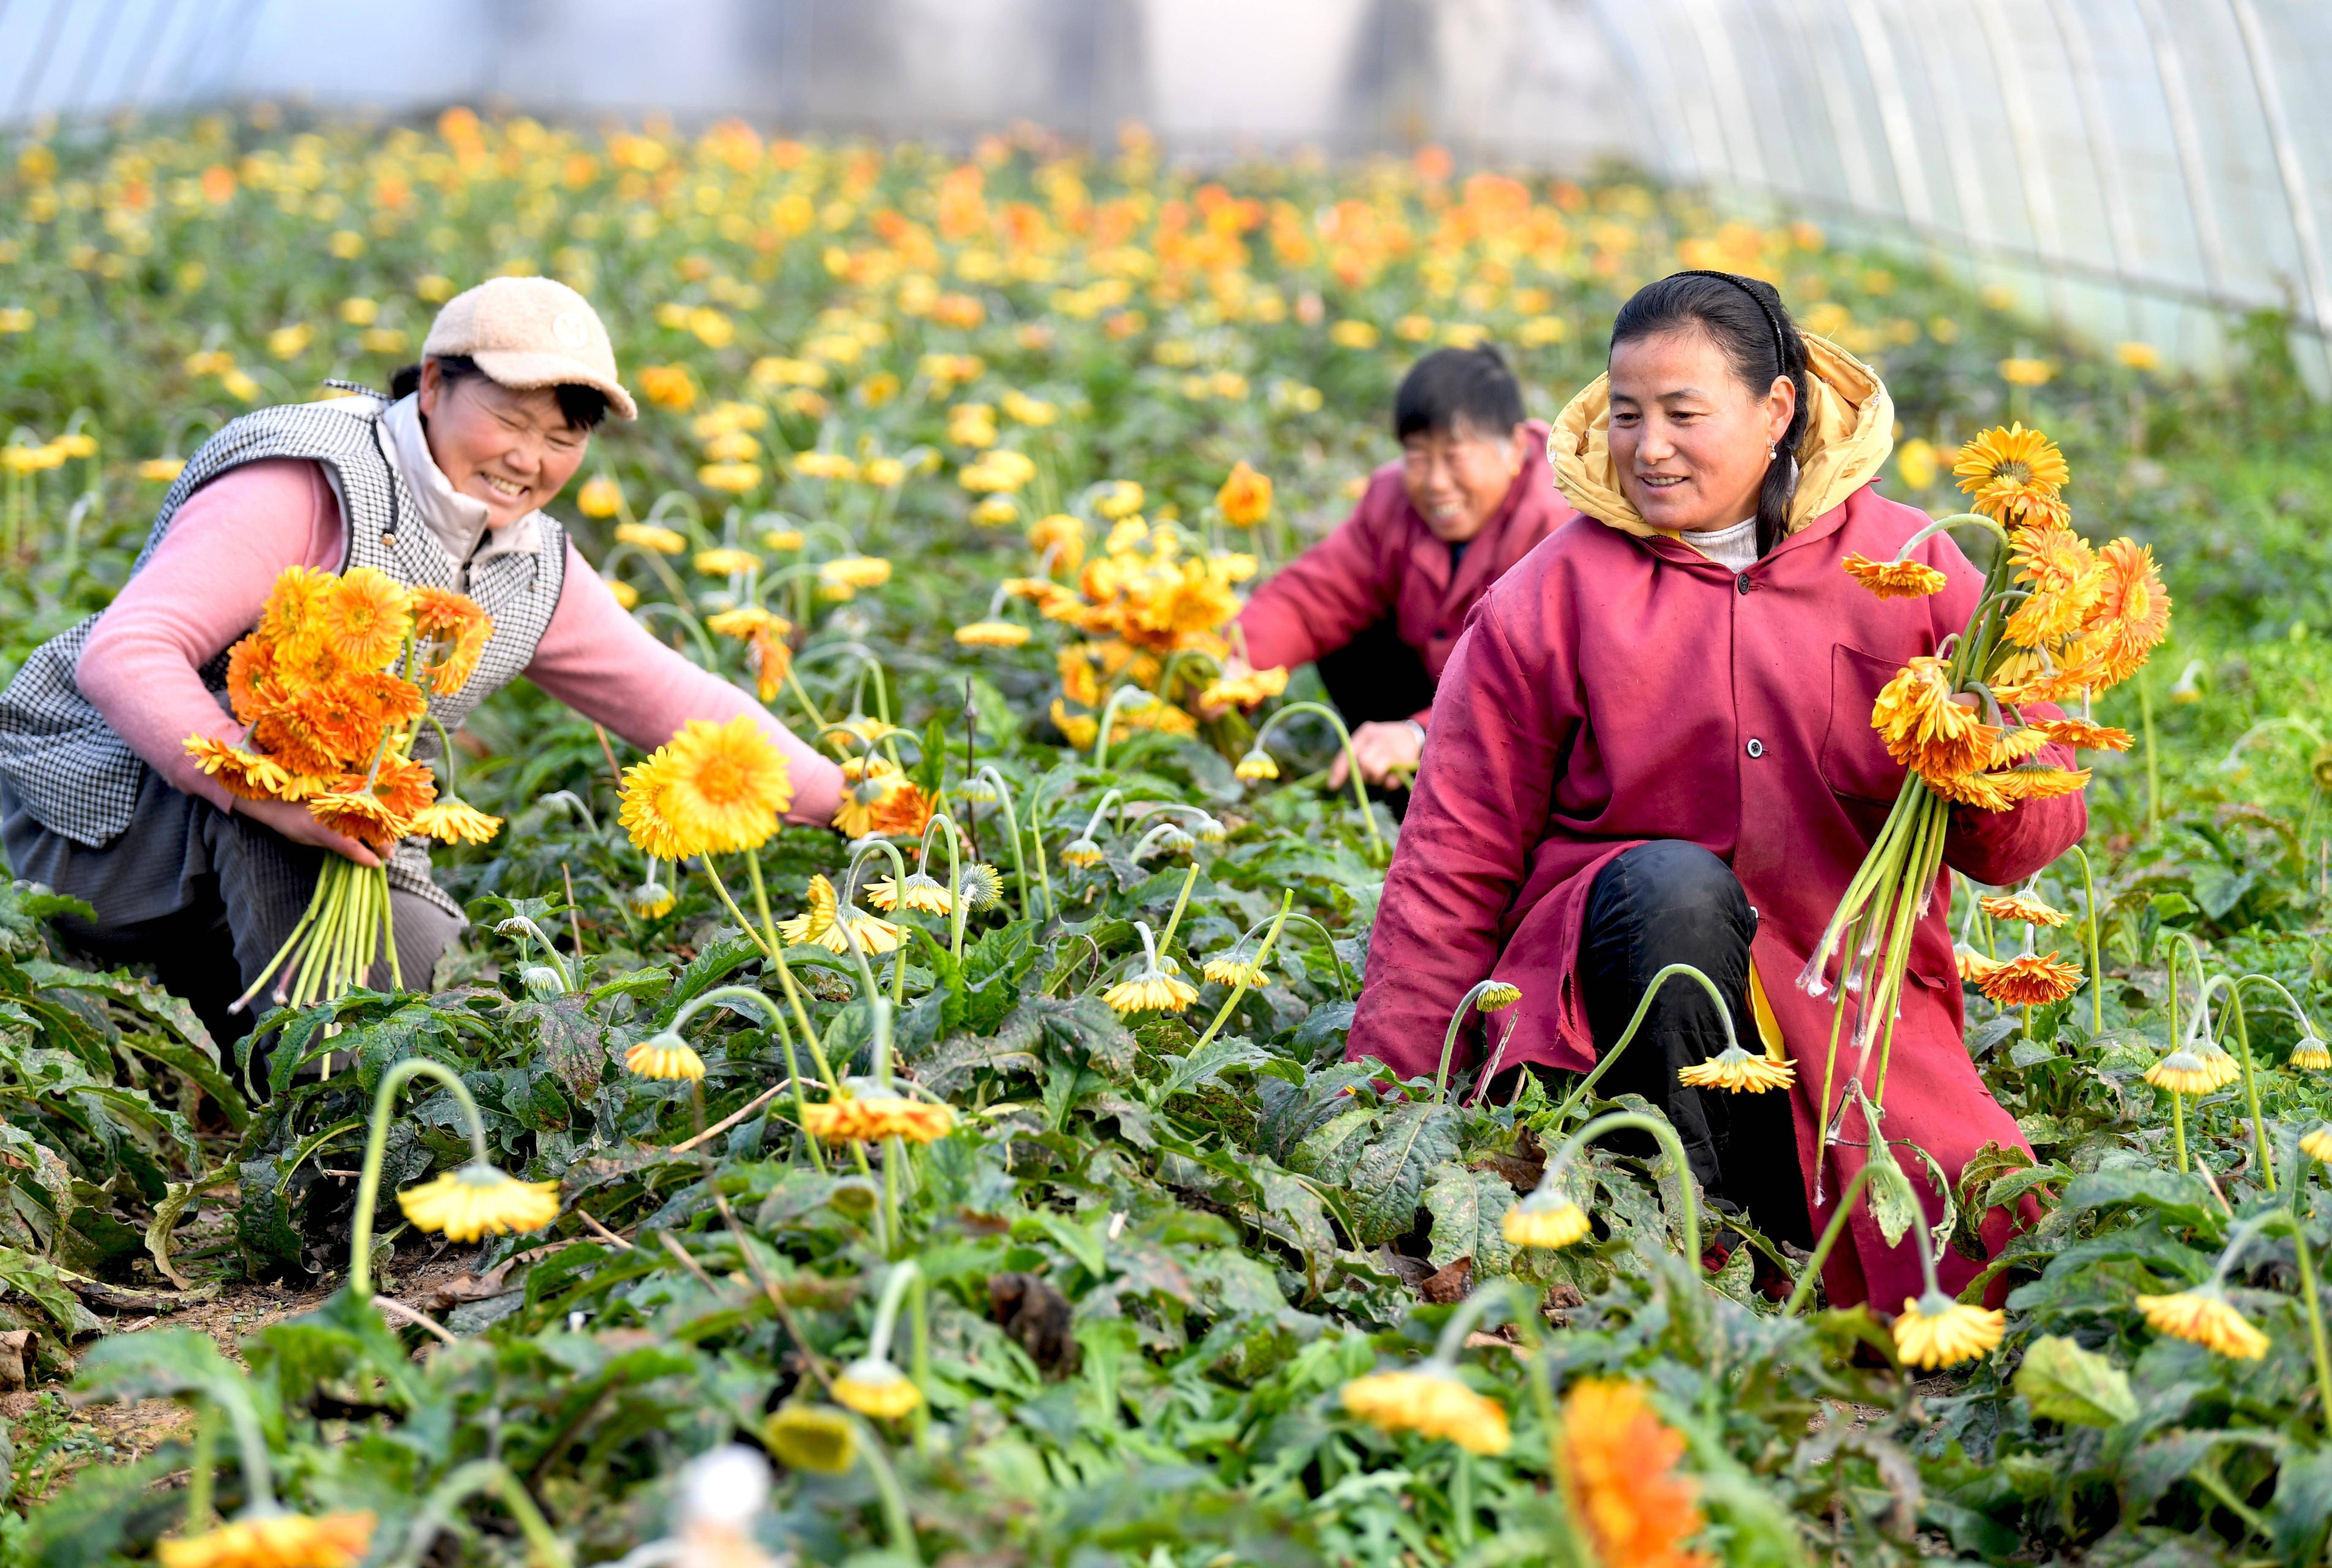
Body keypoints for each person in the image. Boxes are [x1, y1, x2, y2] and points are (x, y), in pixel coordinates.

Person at [1344, 272, 2083, 1309]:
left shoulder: (1911, 569)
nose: (1648, 447)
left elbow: (2024, 844)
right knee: (1669, 891)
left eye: (1683, 415)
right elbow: (1448, 865)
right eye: (1628, 413)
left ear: (1775, 411)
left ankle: (1771, 1243)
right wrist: (1388, 1112)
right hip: (1608, 1018)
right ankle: (1680, 1233)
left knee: (1983, 1253)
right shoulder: (1547, 598)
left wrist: (1979, 760)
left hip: (1851, 1010)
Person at [0, 276, 844, 1052]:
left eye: (560, 437)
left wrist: (856, 805)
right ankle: (335, 1148)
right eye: (511, 422)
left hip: (328, 836)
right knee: (356, 980)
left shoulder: (529, 560)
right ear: (433, 385)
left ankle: (286, 1050)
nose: (530, 460)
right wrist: (264, 788)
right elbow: (128, 650)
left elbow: (676, 698)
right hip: (102, 822)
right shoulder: (306, 479)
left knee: (437, 1013)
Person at [1219, 345, 1562, 793]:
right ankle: (1392, 782)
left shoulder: (1558, 524)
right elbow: (1313, 596)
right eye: (1418, 458)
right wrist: (1231, 664)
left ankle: (1423, 782)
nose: (1437, 483)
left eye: (1455, 457)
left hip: (1528, 728)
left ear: (1514, 449)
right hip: (1438, 687)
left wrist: (1419, 734)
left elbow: (1531, 682)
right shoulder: (1392, 498)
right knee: (1341, 629)